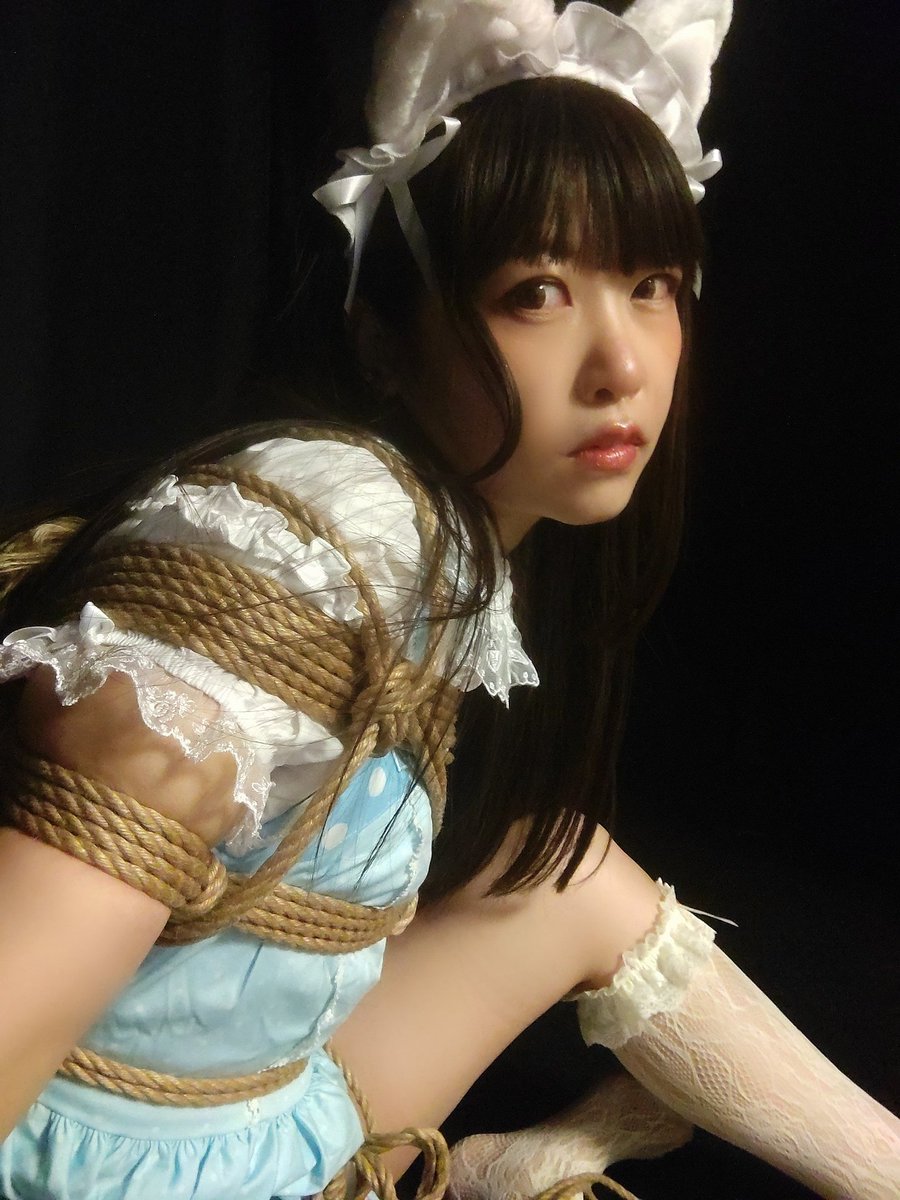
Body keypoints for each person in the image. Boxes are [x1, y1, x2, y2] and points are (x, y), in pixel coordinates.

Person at [0, 2, 897, 1199]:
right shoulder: (314, 537)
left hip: (252, 1107)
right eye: (537, 292)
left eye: (650, 283)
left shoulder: (438, 551)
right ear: (382, 339)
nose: (623, 364)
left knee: (556, 871)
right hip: (111, 1171)